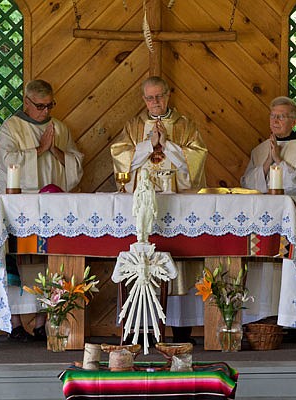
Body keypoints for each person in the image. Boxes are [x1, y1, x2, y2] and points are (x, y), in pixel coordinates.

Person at [110, 76, 208, 344]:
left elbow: (196, 161)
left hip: (177, 205)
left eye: (159, 96)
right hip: (143, 207)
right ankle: (142, 329)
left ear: (168, 95)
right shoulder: (133, 126)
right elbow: (120, 156)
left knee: (182, 258)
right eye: (150, 98)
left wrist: (167, 145)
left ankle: (181, 329)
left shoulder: (186, 125)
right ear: (144, 99)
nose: (155, 102)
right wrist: (148, 146)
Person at [0, 79, 84, 342]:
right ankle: (14, 324)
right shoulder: (11, 127)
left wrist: (54, 149)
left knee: (49, 260)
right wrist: (38, 150)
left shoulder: (59, 128)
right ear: (26, 102)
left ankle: (41, 321)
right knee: (18, 259)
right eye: (40, 106)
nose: (46, 112)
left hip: (52, 205)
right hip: (21, 205)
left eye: (49, 106)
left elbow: (76, 164)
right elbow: (7, 161)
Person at [241, 96, 296, 336]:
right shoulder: (259, 150)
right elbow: (247, 183)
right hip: (267, 220)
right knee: (268, 270)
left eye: (281, 116)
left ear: (294, 120)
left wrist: (279, 160)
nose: (275, 120)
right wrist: (266, 164)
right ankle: (265, 318)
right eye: (272, 115)